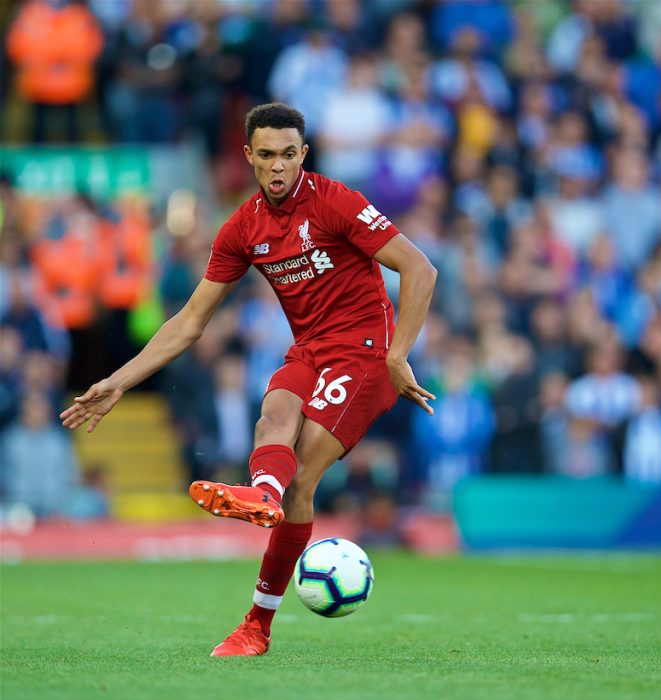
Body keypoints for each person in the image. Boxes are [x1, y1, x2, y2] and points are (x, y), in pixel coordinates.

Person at [60, 103, 438, 658]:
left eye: (289, 154)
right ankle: (262, 495)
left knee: (304, 474)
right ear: (248, 158)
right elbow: (190, 321)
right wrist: (120, 380)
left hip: (364, 354)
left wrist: (397, 355)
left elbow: (420, 268)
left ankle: (256, 623)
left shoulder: (337, 202)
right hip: (309, 349)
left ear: (303, 154)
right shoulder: (242, 228)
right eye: (267, 156)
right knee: (273, 417)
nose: (278, 166)